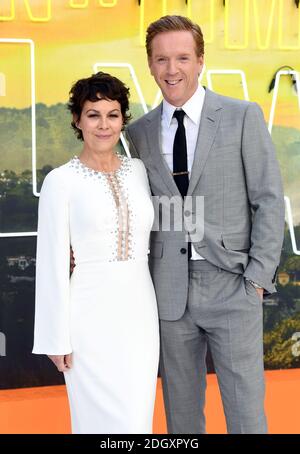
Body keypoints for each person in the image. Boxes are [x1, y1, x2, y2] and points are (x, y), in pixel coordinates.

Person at [125, 15, 285, 434]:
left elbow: (268, 200)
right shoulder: (137, 133)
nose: (171, 69)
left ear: (200, 61)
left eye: (181, 58)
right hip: (168, 291)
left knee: (246, 411)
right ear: (149, 64)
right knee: (181, 415)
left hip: (233, 284)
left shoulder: (241, 116)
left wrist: (257, 277)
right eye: (161, 59)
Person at [32, 72, 160, 434]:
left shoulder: (138, 171)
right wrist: (56, 338)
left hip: (140, 314)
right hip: (88, 318)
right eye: (93, 114)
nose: (104, 125)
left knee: (137, 420)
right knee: (96, 423)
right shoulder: (61, 181)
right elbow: (52, 262)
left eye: (113, 114)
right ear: (77, 119)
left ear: (123, 119)